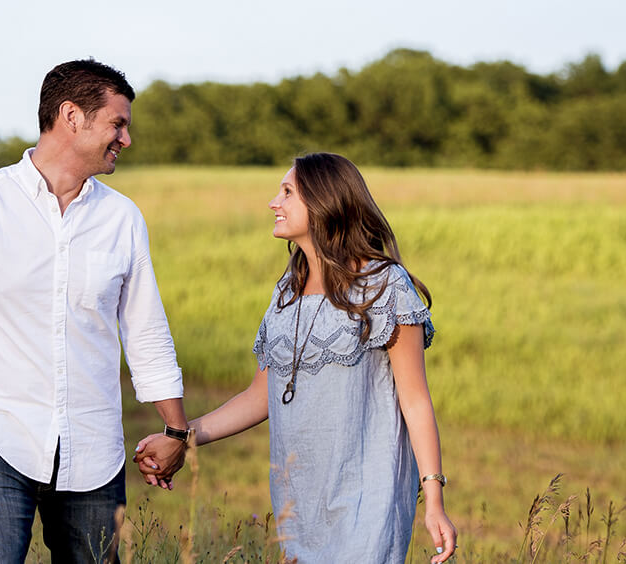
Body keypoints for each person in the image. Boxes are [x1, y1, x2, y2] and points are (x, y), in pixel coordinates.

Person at [0, 59, 192, 563]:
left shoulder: (122, 219)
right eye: (117, 124)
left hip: (93, 450)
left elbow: (146, 332)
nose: (126, 138)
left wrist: (176, 431)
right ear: (72, 116)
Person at [135, 152, 458, 563]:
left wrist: (433, 499)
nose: (274, 202)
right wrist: (181, 436)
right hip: (300, 502)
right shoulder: (287, 291)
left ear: (324, 204)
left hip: (368, 496)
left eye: (287, 192)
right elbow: (261, 395)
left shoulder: (384, 286)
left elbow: (415, 400)